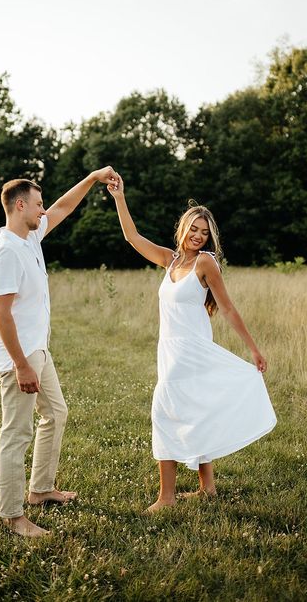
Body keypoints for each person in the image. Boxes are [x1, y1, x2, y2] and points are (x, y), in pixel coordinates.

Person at [108, 177, 277, 513]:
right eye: (194, 229)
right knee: (193, 413)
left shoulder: (205, 263)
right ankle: (207, 488)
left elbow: (226, 307)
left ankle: (166, 497)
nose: (198, 236)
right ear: (183, 228)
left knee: (165, 412)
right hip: (170, 350)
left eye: (204, 231)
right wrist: (119, 198)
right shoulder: (170, 260)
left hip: (192, 351)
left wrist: (254, 349)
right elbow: (132, 237)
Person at [0, 168, 118, 537]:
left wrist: (92, 179)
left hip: (37, 350)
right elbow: (1, 313)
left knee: (56, 413)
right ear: (20, 204)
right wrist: (21, 365)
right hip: (20, 358)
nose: (44, 211)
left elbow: (62, 207)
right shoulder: (5, 252)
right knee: (16, 433)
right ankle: (13, 516)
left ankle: (40, 490)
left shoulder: (29, 239)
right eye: (38, 205)